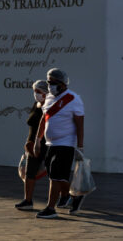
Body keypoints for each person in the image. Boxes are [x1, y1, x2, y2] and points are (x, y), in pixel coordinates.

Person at [34, 68, 85, 218]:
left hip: (66, 144)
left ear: (62, 84)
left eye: (53, 83)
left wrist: (80, 146)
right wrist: (38, 140)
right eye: (49, 82)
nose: (50, 85)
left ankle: (50, 208)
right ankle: (75, 196)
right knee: (55, 175)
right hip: (50, 144)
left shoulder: (73, 99)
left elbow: (80, 124)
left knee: (55, 176)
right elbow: (44, 119)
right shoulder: (49, 98)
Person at [15, 80, 48, 210]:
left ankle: (66, 196)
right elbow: (33, 127)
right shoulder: (37, 104)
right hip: (32, 144)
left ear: (45, 93)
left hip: (45, 144)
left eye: (38, 91)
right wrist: (29, 142)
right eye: (34, 91)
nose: (35, 94)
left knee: (54, 175)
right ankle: (27, 200)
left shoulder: (50, 106)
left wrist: (38, 142)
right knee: (30, 172)